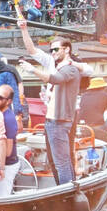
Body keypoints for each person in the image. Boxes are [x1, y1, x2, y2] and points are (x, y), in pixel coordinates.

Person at [17, 17, 82, 185]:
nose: (52, 52)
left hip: (64, 115)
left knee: (64, 157)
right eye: (51, 49)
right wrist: (24, 29)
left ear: (66, 50)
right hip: (52, 116)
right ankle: (64, 186)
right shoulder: (51, 61)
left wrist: (33, 71)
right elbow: (31, 50)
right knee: (55, 158)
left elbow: (55, 78)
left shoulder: (70, 67)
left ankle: (68, 189)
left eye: (55, 49)